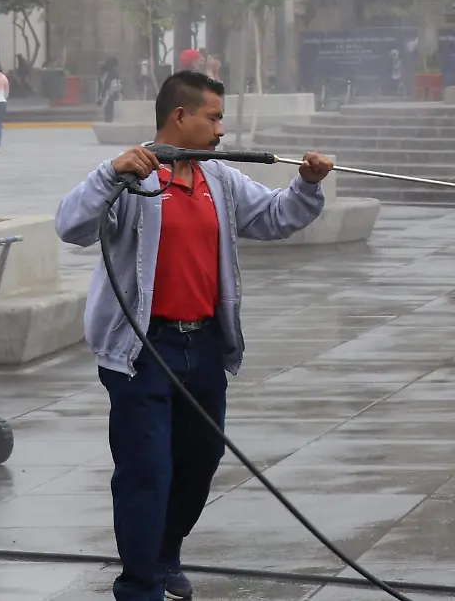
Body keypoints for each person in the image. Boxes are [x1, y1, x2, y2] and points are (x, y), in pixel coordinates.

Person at [54, 71, 333, 601]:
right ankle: (140, 587)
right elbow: (71, 226)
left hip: (202, 347)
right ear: (180, 117)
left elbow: (276, 217)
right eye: (214, 117)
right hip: (141, 352)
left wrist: (308, 183)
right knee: (146, 471)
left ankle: (165, 552)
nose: (221, 130)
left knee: (199, 462)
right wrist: (107, 174)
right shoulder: (133, 177)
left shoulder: (219, 179)